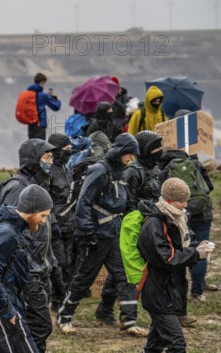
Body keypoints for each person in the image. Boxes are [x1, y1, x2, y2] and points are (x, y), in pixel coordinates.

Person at [57, 133, 147, 336]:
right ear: (120, 152)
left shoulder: (121, 171)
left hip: (115, 233)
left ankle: (129, 320)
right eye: (128, 154)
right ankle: (64, 317)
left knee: (124, 275)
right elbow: (83, 202)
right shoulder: (99, 170)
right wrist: (87, 231)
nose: (130, 158)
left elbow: (125, 200)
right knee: (84, 277)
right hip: (97, 235)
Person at [0, 139, 63, 352]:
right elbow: (9, 231)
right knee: (40, 326)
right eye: (46, 157)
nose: (50, 162)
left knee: (36, 328)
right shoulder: (18, 188)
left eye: (52, 157)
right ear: (33, 159)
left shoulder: (39, 185)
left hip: (41, 267)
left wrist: (52, 264)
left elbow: (45, 230)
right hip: (26, 272)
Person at [137, 178, 214, 353]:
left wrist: (198, 246)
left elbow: (184, 244)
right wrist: (196, 254)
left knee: (154, 346)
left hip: (169, 289)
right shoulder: (154, 223)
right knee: (177, 344)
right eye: (181, 201)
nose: (185, 205)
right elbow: (167, 258)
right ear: (169, 200)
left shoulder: (176, 218)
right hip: (157, 290)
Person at [96, 130, 163, 326]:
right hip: (133, 225)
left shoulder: (156, 170)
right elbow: (127, 201)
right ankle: (127, 316)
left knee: (122, 271)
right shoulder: (133, 171)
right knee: (128, 269)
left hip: (152, 223)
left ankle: (105, 308)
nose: (158, 151)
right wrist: (139, 218)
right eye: (154, 148)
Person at [0, 184, 53, 353]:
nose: (43, 221)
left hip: (1, 307)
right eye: (42, 215)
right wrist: (8, 311)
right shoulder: (7, 233)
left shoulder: (14, 228)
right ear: (31, 210)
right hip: (1, 310)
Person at [159, 148, 215, 302]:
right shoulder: (195, 163)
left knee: (183, 249)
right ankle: (197, 291)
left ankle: (178, 292)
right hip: (203, 213)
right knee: (201, 250)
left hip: (178, 214)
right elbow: (209, 186)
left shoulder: (164, 169)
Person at [47, 134, 76, 301]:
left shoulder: (66, 169)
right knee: (59, 263)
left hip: (69, 223)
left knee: (69, 262)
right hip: (55, 224)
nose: (69, 153)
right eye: (66, 150)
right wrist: (53, 222)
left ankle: (64, 295)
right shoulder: (49, 172)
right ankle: (57, 298)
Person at [26, 73, 61, 140]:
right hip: (40, 124)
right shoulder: (42, 95)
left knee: (31, 145)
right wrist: (55, 99)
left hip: (30, 124)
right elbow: (56, 107)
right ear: (42, 82)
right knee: (41, 146)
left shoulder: (28, 94)